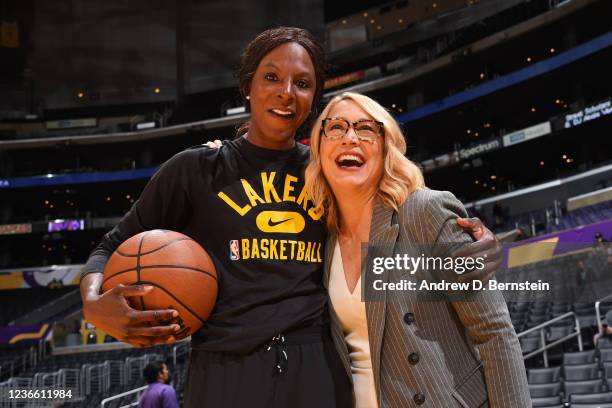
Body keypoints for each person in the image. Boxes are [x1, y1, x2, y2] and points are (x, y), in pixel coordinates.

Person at [80, 28, 500, 408]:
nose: (286, 92)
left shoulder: (329, 170)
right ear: (247, 87)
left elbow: (401, 221)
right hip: (223, 367)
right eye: (271, 77)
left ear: (312, 100)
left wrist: (466, 244)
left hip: (315, 363)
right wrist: (94, 303)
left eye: (302, 84)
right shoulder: (194, 170)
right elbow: (108, 248)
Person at [305, 92, 530, 407]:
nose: (350, 137)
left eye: (366, 128)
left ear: (386, 147)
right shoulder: (323, 239)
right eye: (337, 127)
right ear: (318, 147)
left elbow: (494, 332)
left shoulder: (425, 211)